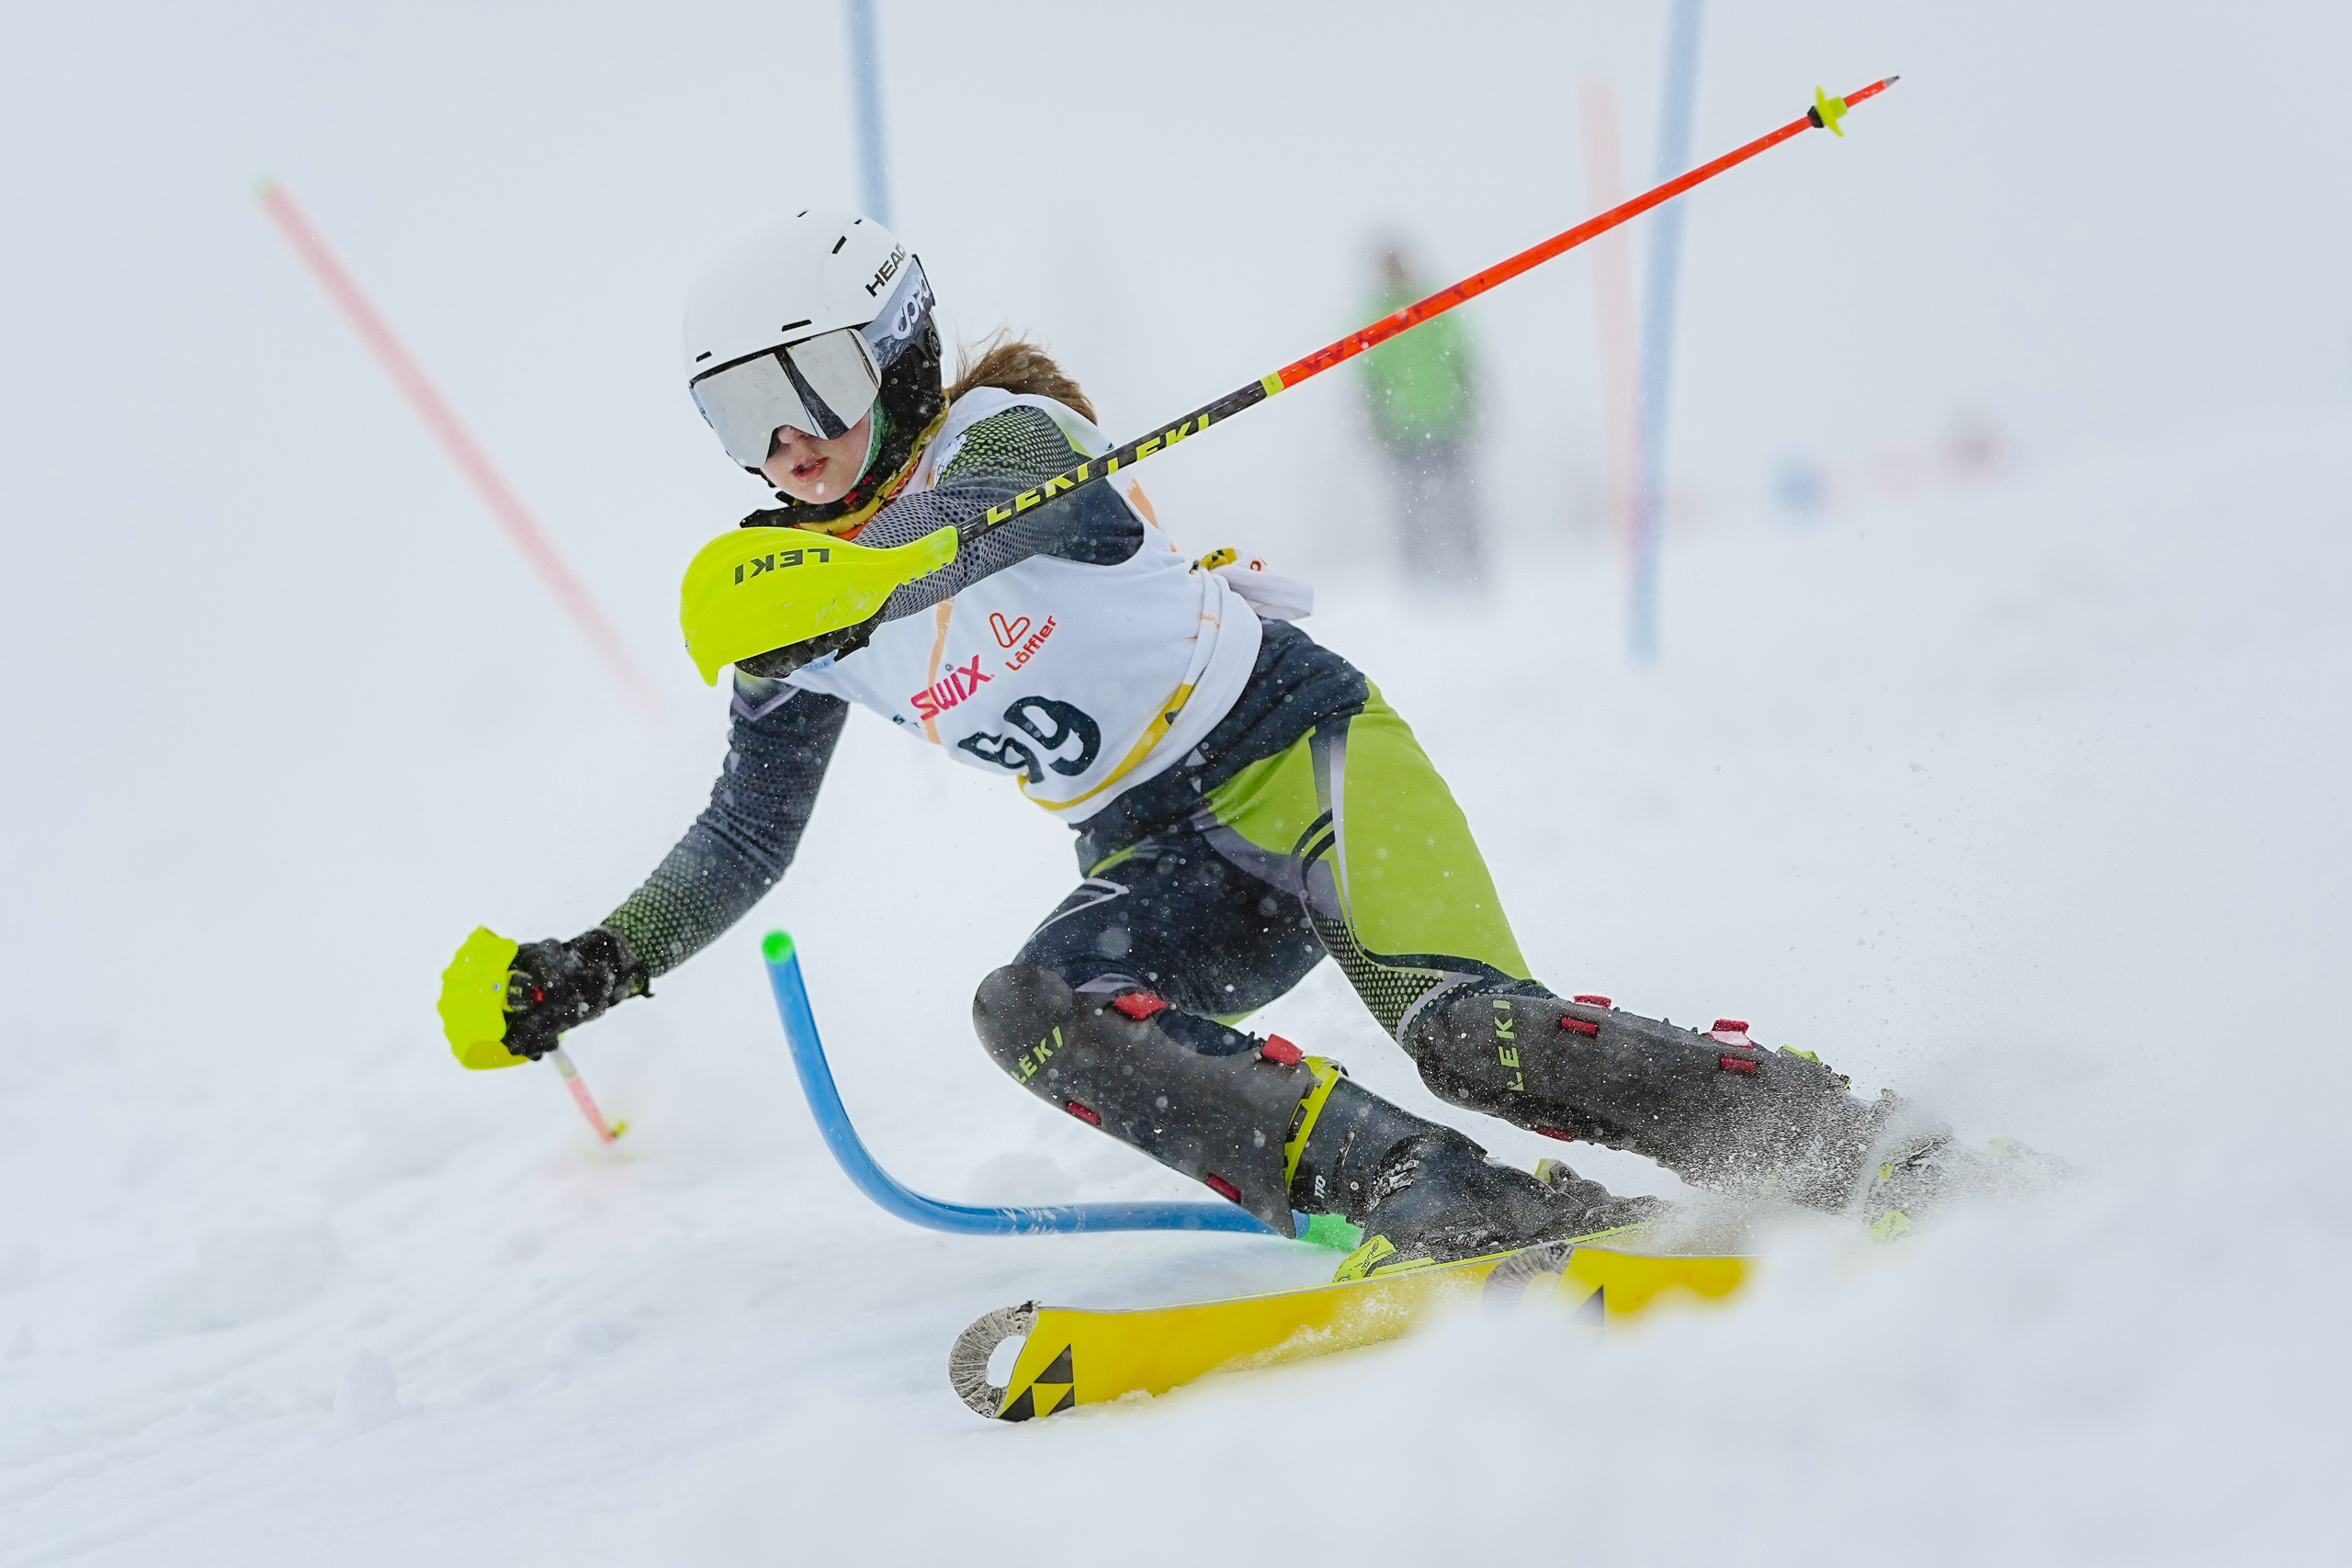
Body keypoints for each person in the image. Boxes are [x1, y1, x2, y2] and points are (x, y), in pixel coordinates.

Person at [458, 212, 1946, 1280]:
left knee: (1470, 1036)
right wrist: (592, 962)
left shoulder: (1008, 433)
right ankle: (1447, 1206)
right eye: (738, 413)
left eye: (808, 389)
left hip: (1306, 753)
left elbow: (1007, 520)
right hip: (1158, 855)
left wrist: (840, 574)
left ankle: (1859, 1142)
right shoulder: (797, 612)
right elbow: (743, 837)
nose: (782, 447)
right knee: (1036, 1002)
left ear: (902, 355)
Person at [1358, 242, 1486, 586]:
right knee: (1411, 510)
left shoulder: (1435, 305)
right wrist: (1375, 426)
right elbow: (1369, 380)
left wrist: (1473, 407)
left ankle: (1472, 571)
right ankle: (1420, 577)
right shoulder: (1373, 317)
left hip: (1447, 422)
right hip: (1403, 431)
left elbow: (1463, 361)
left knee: (1461, 504)